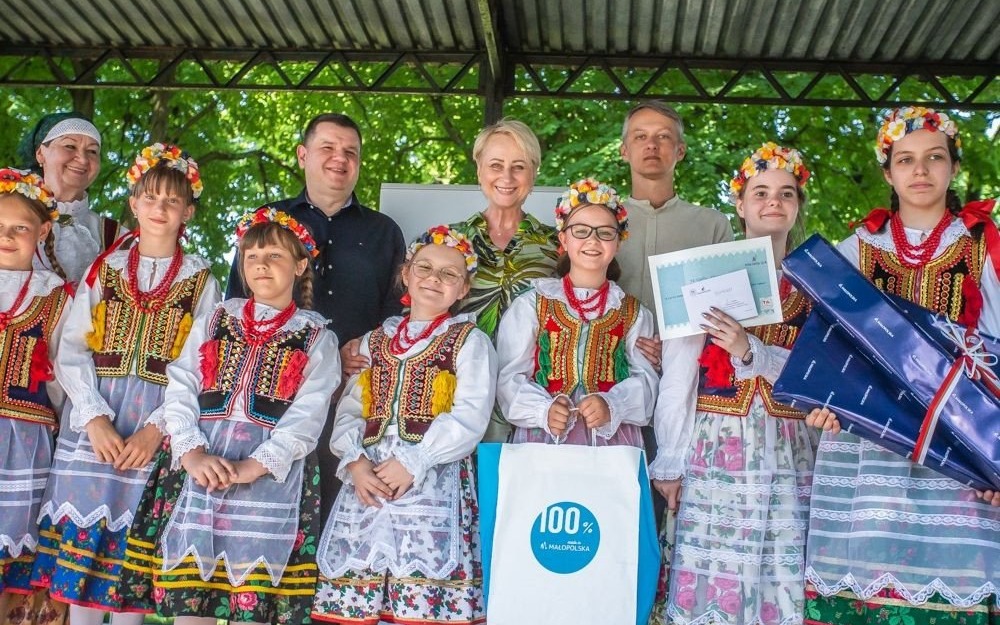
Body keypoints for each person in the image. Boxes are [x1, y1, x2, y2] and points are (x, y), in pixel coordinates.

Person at [803, 107, 1000, 624]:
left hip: (957, 449)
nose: (920, 170)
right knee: (868, 586)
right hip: (867, 447)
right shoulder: (855, 250)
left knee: (954, 589)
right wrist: (822, 403)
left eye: (934, 158)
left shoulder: (984, 248)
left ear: (953, 167)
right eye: (905, 159)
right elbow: (827, 349)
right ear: (887, 172)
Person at [31, 143, 220, 625]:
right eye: (150, 197)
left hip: (156, 425)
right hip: (96, 424)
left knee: (132, 562)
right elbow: (71, 348)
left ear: (188, 212)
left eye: (172, 201)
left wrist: (158, 429)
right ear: (133, 203)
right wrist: (92, 417)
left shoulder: (202, 280)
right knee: (83, 560)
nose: (160, 208)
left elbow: (200, 363)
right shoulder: (106, 267)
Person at [122, 206, 340, 625]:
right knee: (193, 598)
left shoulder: (318, 336)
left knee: (252, 599)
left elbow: (309, 413)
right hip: (203, 466)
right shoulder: (217, 317)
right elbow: (182, 383)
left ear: (300, 265)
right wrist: (190, 452)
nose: (262, 265)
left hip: (269, 475)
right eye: (252, 256)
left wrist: (255, 466)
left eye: (275, 256)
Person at [650, 144, 818, 625]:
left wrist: (752, 352)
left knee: (781, 574)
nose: (773, 202)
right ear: (740, 204)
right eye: (760, 192)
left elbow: (819, 374)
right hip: (718, 443)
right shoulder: (703, 273)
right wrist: (670, 458)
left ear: (797, 207)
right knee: (717, 576)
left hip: (792, 445)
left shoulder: (817, 281)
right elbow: (680, 372)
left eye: (787, 194)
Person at [225, 112, 406, 521]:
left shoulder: (384, 231)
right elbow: (236, 308)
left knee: (332, 505)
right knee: (256, 504)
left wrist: (359, 351)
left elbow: (396, 319)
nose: (339, 159)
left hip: (350, 397)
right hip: (266, 396)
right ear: (303, 154)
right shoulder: (266, 223)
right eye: (328, 147)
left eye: (350, 152)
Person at [311, 225, 496, 624]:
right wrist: (355, 463)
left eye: (449, 274)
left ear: (464, 289)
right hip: (368, 480)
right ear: (406, 275)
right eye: (425, 268)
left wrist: (416, 460)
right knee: (364, 595)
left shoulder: (469, 340)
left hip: (432, 479)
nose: (434, 279)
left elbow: (470, 415)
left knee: (420, 595)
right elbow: (351, 411)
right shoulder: (374, 341)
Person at [496, 178, 658, 447]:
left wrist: (613, 404)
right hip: (544, 440)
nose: (593, 240)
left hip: (613, 442)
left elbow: (648, 383)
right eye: (581, 231)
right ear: (563, 238)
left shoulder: (634, 313)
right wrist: (543, 410)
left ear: (618, 242)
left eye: (605, 232)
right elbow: (508, 379)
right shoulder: (531, 306)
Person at [449, 119, 559, 443]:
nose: (507, 177)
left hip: (534, 399)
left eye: (519, 166)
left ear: (534, 172)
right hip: (458, 396)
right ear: (479, 169)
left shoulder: (559, 245)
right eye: (496, 165)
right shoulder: (449, 242)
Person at [0, 170, 72, 625]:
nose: (7, 237)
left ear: (42, 231)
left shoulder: (56, 298)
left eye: (19, 228)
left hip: (26, 444)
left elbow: (62, 385)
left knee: (18, 555)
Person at [616, 101, 733, 317]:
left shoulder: (713, 225)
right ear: (624, 151)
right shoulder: (601, 222)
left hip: (692, 350)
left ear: (680, 150)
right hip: (610, 348)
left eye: (663, 136)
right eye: (640, 136)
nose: (652, 144)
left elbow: (727, 304)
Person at [17, 112, 126, 283]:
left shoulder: (117, 237)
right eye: (69, 146)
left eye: (92, 151)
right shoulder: (7, 218)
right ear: (40, 154)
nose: (82, 159)